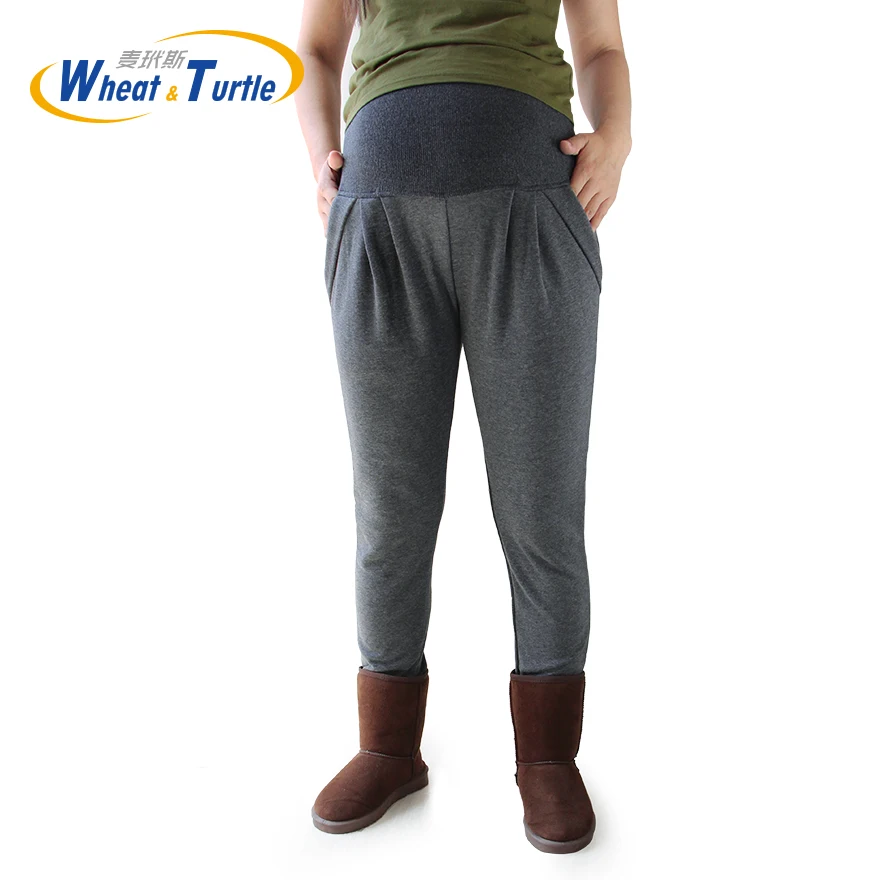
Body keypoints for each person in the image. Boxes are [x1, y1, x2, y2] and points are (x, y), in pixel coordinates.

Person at [294, 0, 631, 855]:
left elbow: (599, 43)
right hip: (377, 213)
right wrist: (319, 162)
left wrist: (617, 138)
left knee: (540, 506)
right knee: (391, 508)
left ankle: (547, 757)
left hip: (534, 207)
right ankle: (388, 746)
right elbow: (318, 46)